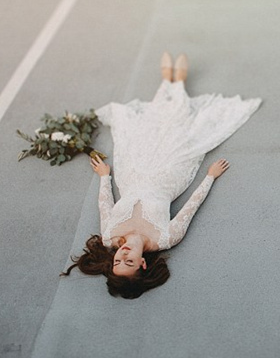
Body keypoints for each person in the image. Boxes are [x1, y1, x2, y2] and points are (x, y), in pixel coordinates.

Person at [64, 52, 261, 298]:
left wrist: (105, 177)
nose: (123, 255)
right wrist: (210, 176)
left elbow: (105, 205)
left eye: (117, 261)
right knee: (178, 130)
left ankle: (167, 80)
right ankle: (178, 84)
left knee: (146, 130)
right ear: (143, 264)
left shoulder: (108, 238)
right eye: (129, 262)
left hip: (131, 173)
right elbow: (191, 207)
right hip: (169, 176)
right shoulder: (166, 238)